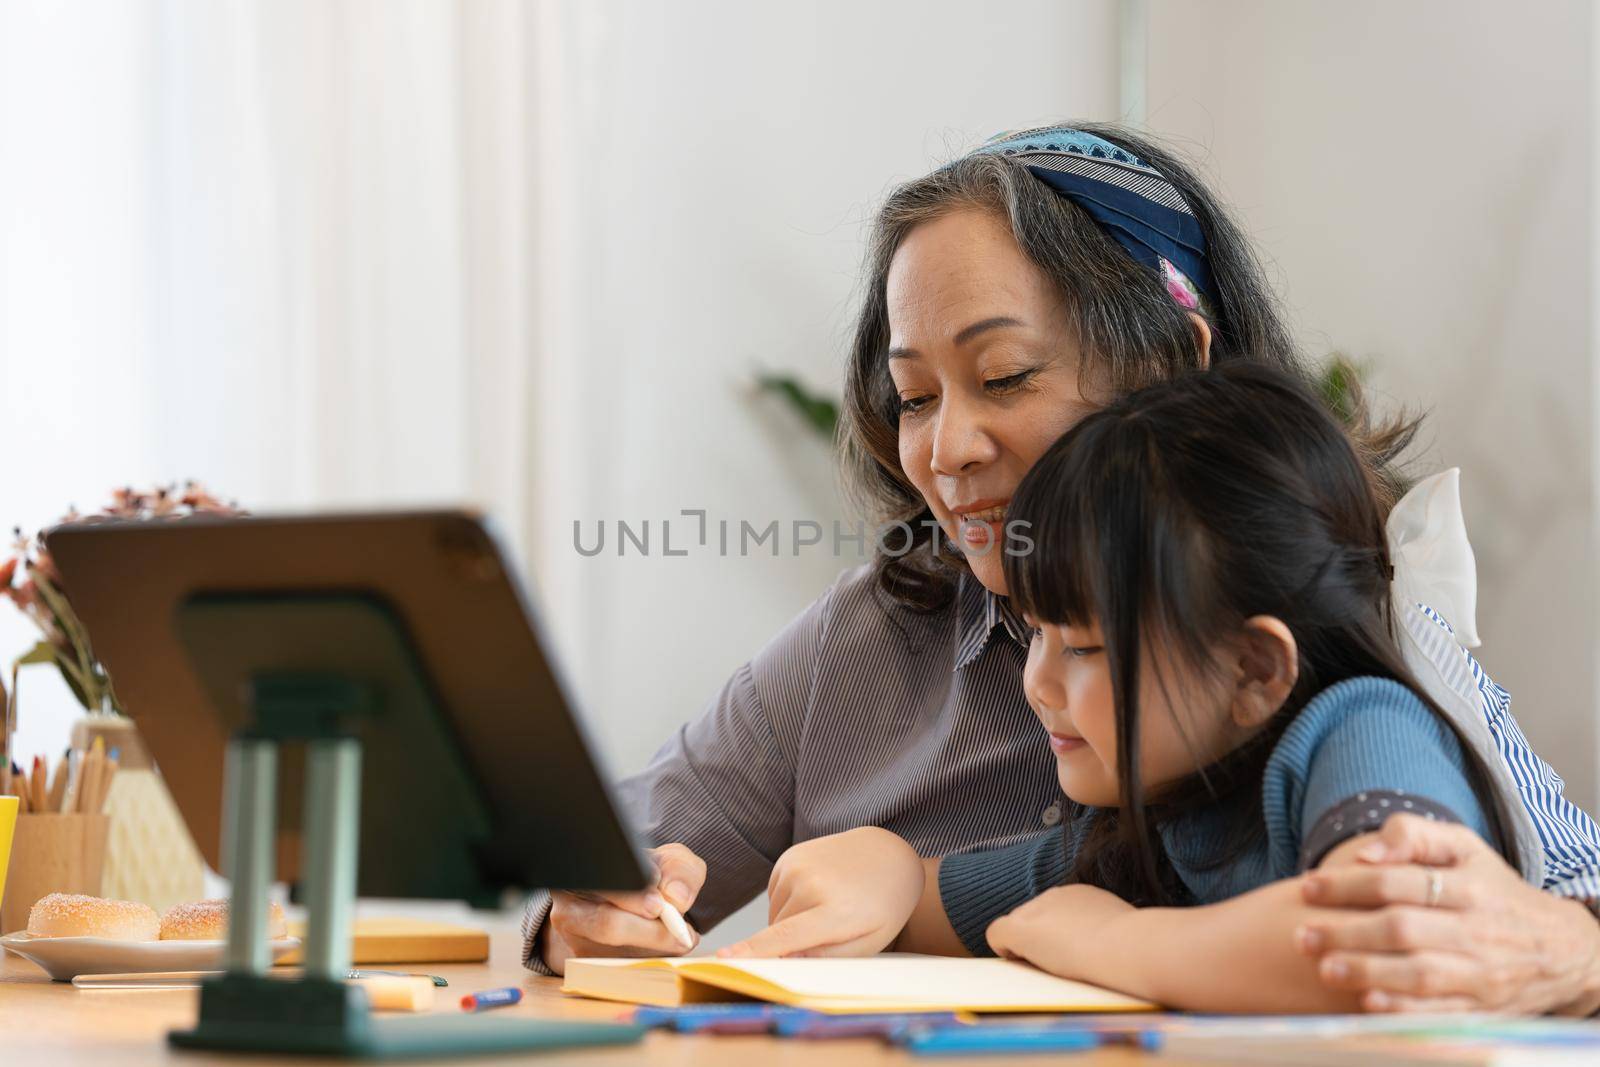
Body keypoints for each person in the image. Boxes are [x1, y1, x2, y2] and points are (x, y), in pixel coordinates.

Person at [524, 124, 1600, 1014]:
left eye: (1005, 375)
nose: (946, 449)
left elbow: (1522, 917)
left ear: (1172, 369)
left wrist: (1120, 941)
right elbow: (606, 850)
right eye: (913, 395)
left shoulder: (1347, 649)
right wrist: (584, 908)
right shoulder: (872, 633)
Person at [799, 361, 1526, 1013]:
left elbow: (1390, 945)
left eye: (1082, 645)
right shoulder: (1157, 823)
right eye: (1037, 631)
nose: (1037, 682)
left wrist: (1114, 938)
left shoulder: (1364, 727)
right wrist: (881, 870)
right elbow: (949, 904)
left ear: (1255, 668)